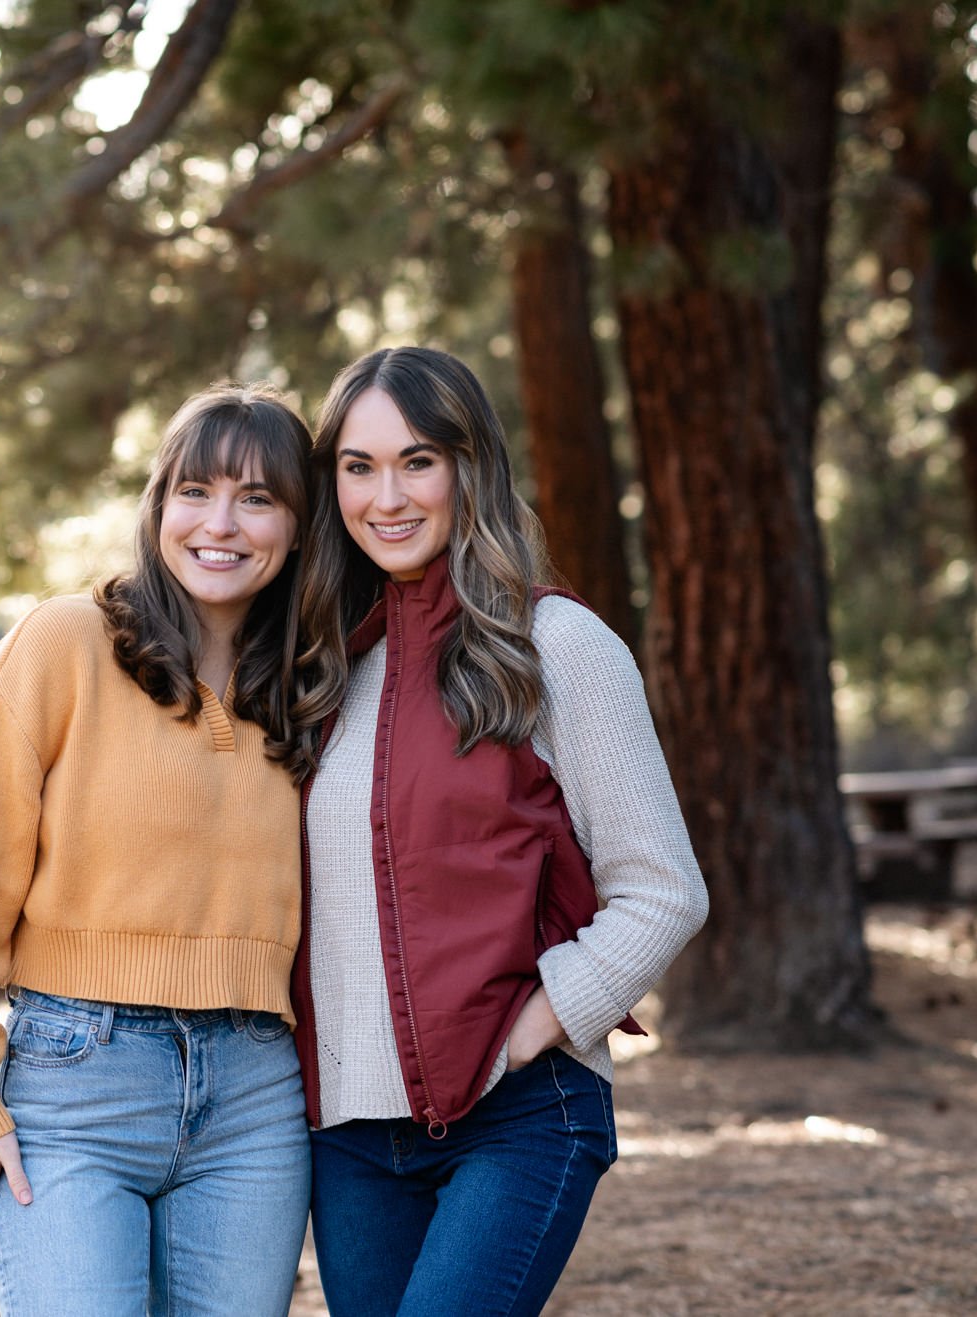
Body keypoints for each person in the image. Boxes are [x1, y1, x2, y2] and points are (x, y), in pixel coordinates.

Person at [289, 346, 709, 1316]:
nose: (385, 496)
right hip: (349, 1139)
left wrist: (537, 1025)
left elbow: (666, 890)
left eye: (417, 461)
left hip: (517, 1116)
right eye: (358, 466)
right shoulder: (325, 670)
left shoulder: (555, 646)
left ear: (470, 466)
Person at [0, 382, 316, 1316]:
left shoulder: (312, 683)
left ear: (298, 528)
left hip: (256, 1098)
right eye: (196, 490)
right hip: (73, 1086)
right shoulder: (66, 642)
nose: (221, 523)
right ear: (157, 505)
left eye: (258, 498)